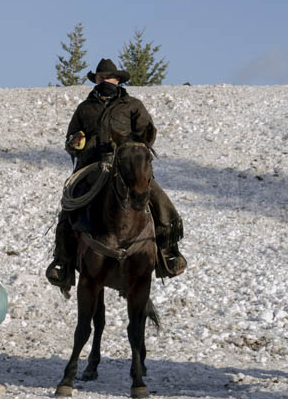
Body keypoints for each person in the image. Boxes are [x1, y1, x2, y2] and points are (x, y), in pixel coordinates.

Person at [45, 58, 186, 288]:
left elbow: (146, 134)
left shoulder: (133, 105)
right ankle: (64, 261)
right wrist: (76, 142)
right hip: (91, 165)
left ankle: (167, 253)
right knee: (69, 206)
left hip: (127, 164)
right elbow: (71, 139)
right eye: (99, 78)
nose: (103, 81)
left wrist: (130, 148)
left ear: (117, 80)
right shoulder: (84, 108)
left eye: (107, 78)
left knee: (159, 198)